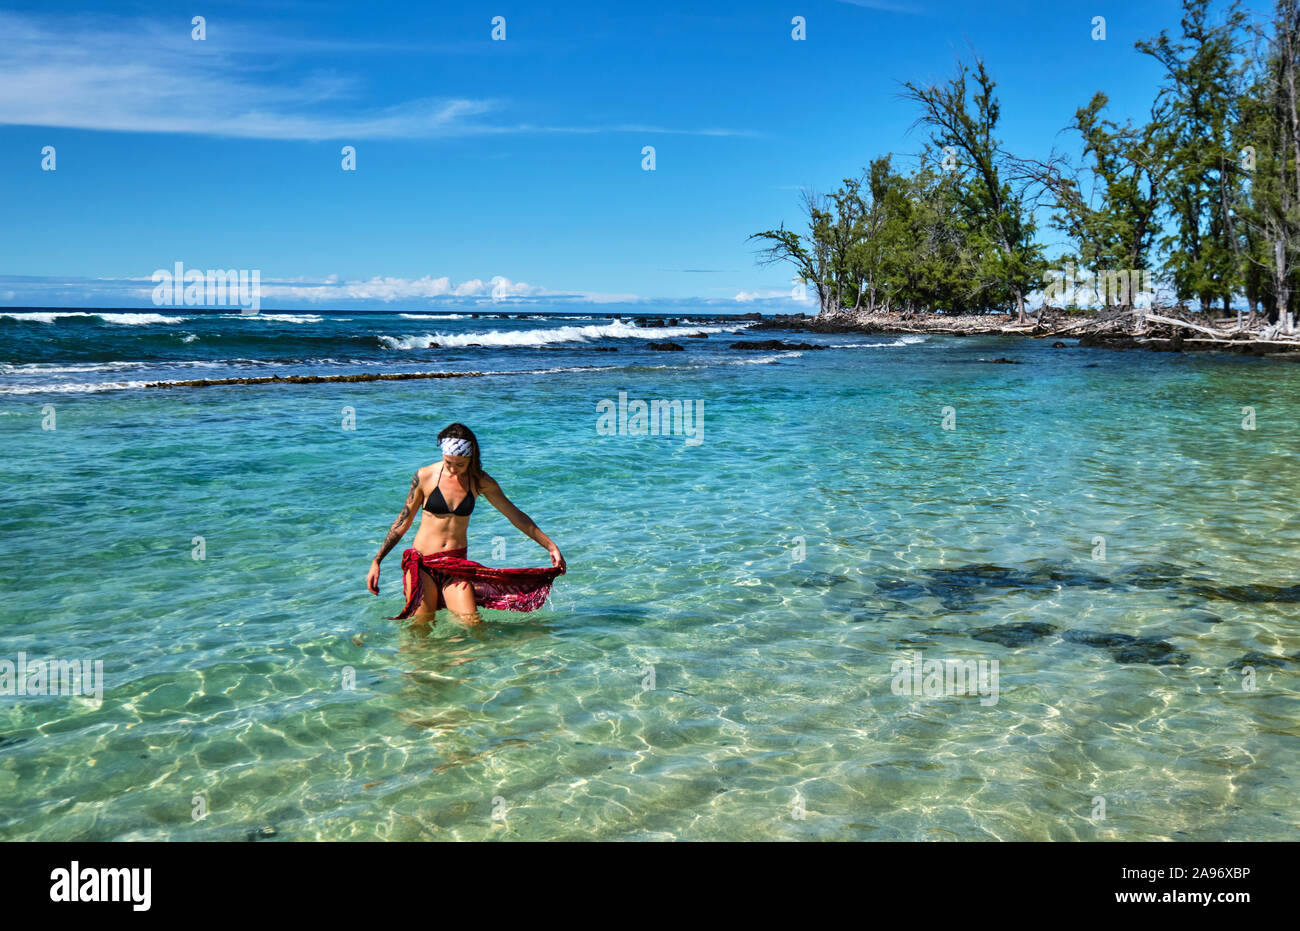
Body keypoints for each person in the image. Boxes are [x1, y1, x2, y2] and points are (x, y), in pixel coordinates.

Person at [366, 423, 565, 625]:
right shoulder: (425, 476)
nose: (453, 469)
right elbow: (403, 521)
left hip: (456, 566)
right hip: (422, 564)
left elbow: (515, 515)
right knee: (421, 626)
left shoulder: (481, 482)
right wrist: (377, 560)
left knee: (472, 624)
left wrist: (550, 546)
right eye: (448, 462)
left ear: (472, 459)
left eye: (460, 465)